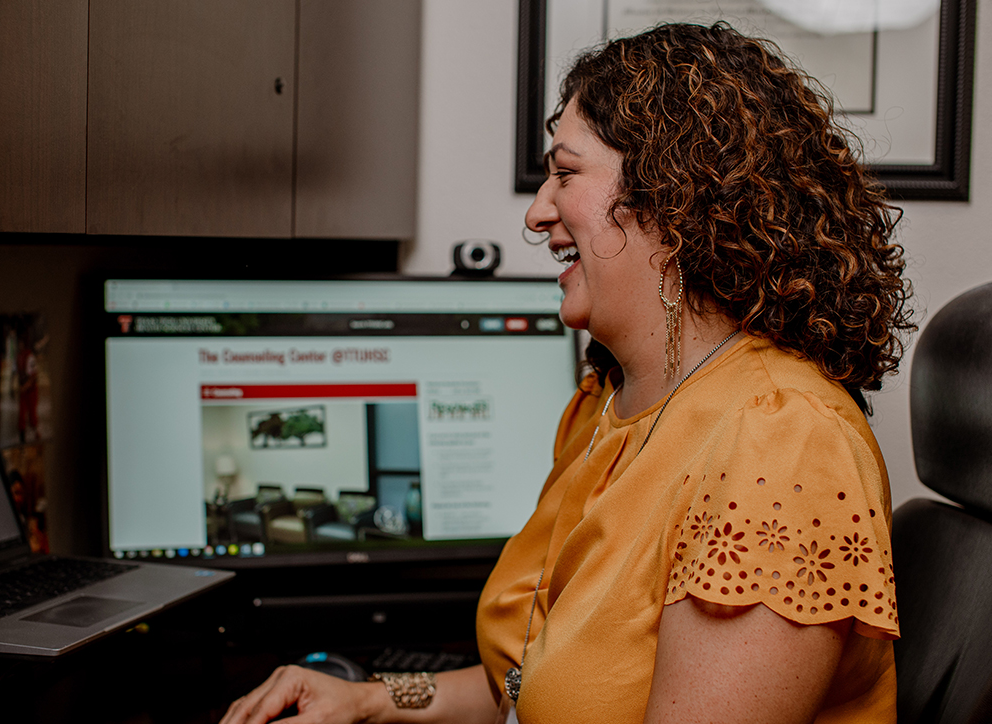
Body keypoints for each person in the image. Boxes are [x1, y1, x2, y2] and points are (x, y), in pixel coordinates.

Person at [220, 21, 912, 724]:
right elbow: (533, 688)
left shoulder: (782, 442)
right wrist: (372, 700)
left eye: (566, 173)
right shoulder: (607, 403)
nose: (537, 211)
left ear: (672, 199)